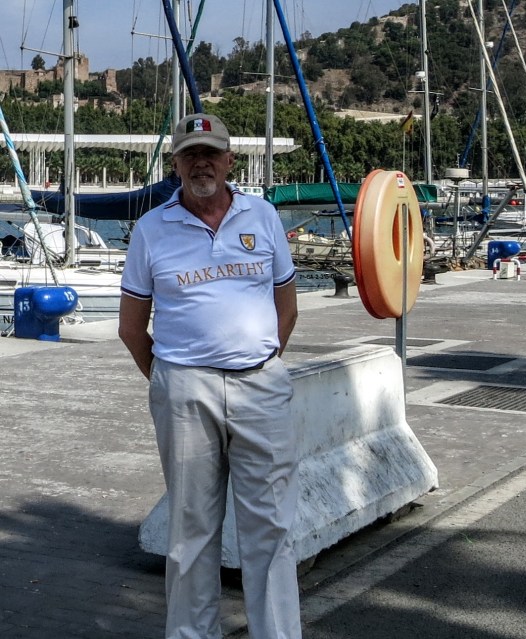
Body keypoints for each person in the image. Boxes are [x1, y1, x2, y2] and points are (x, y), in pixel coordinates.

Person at [118, 113, 301, 639]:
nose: (201, 163)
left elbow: (286, 307)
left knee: (271, 529)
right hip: (184, 389)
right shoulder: (151, 229)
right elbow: (131, 327)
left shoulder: (263, 216)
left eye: (210, 153)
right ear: (175, 164)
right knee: (190, 530)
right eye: (190, 154)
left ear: (229, 161)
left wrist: (258, 360)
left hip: (260, 385)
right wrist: (170, 380)